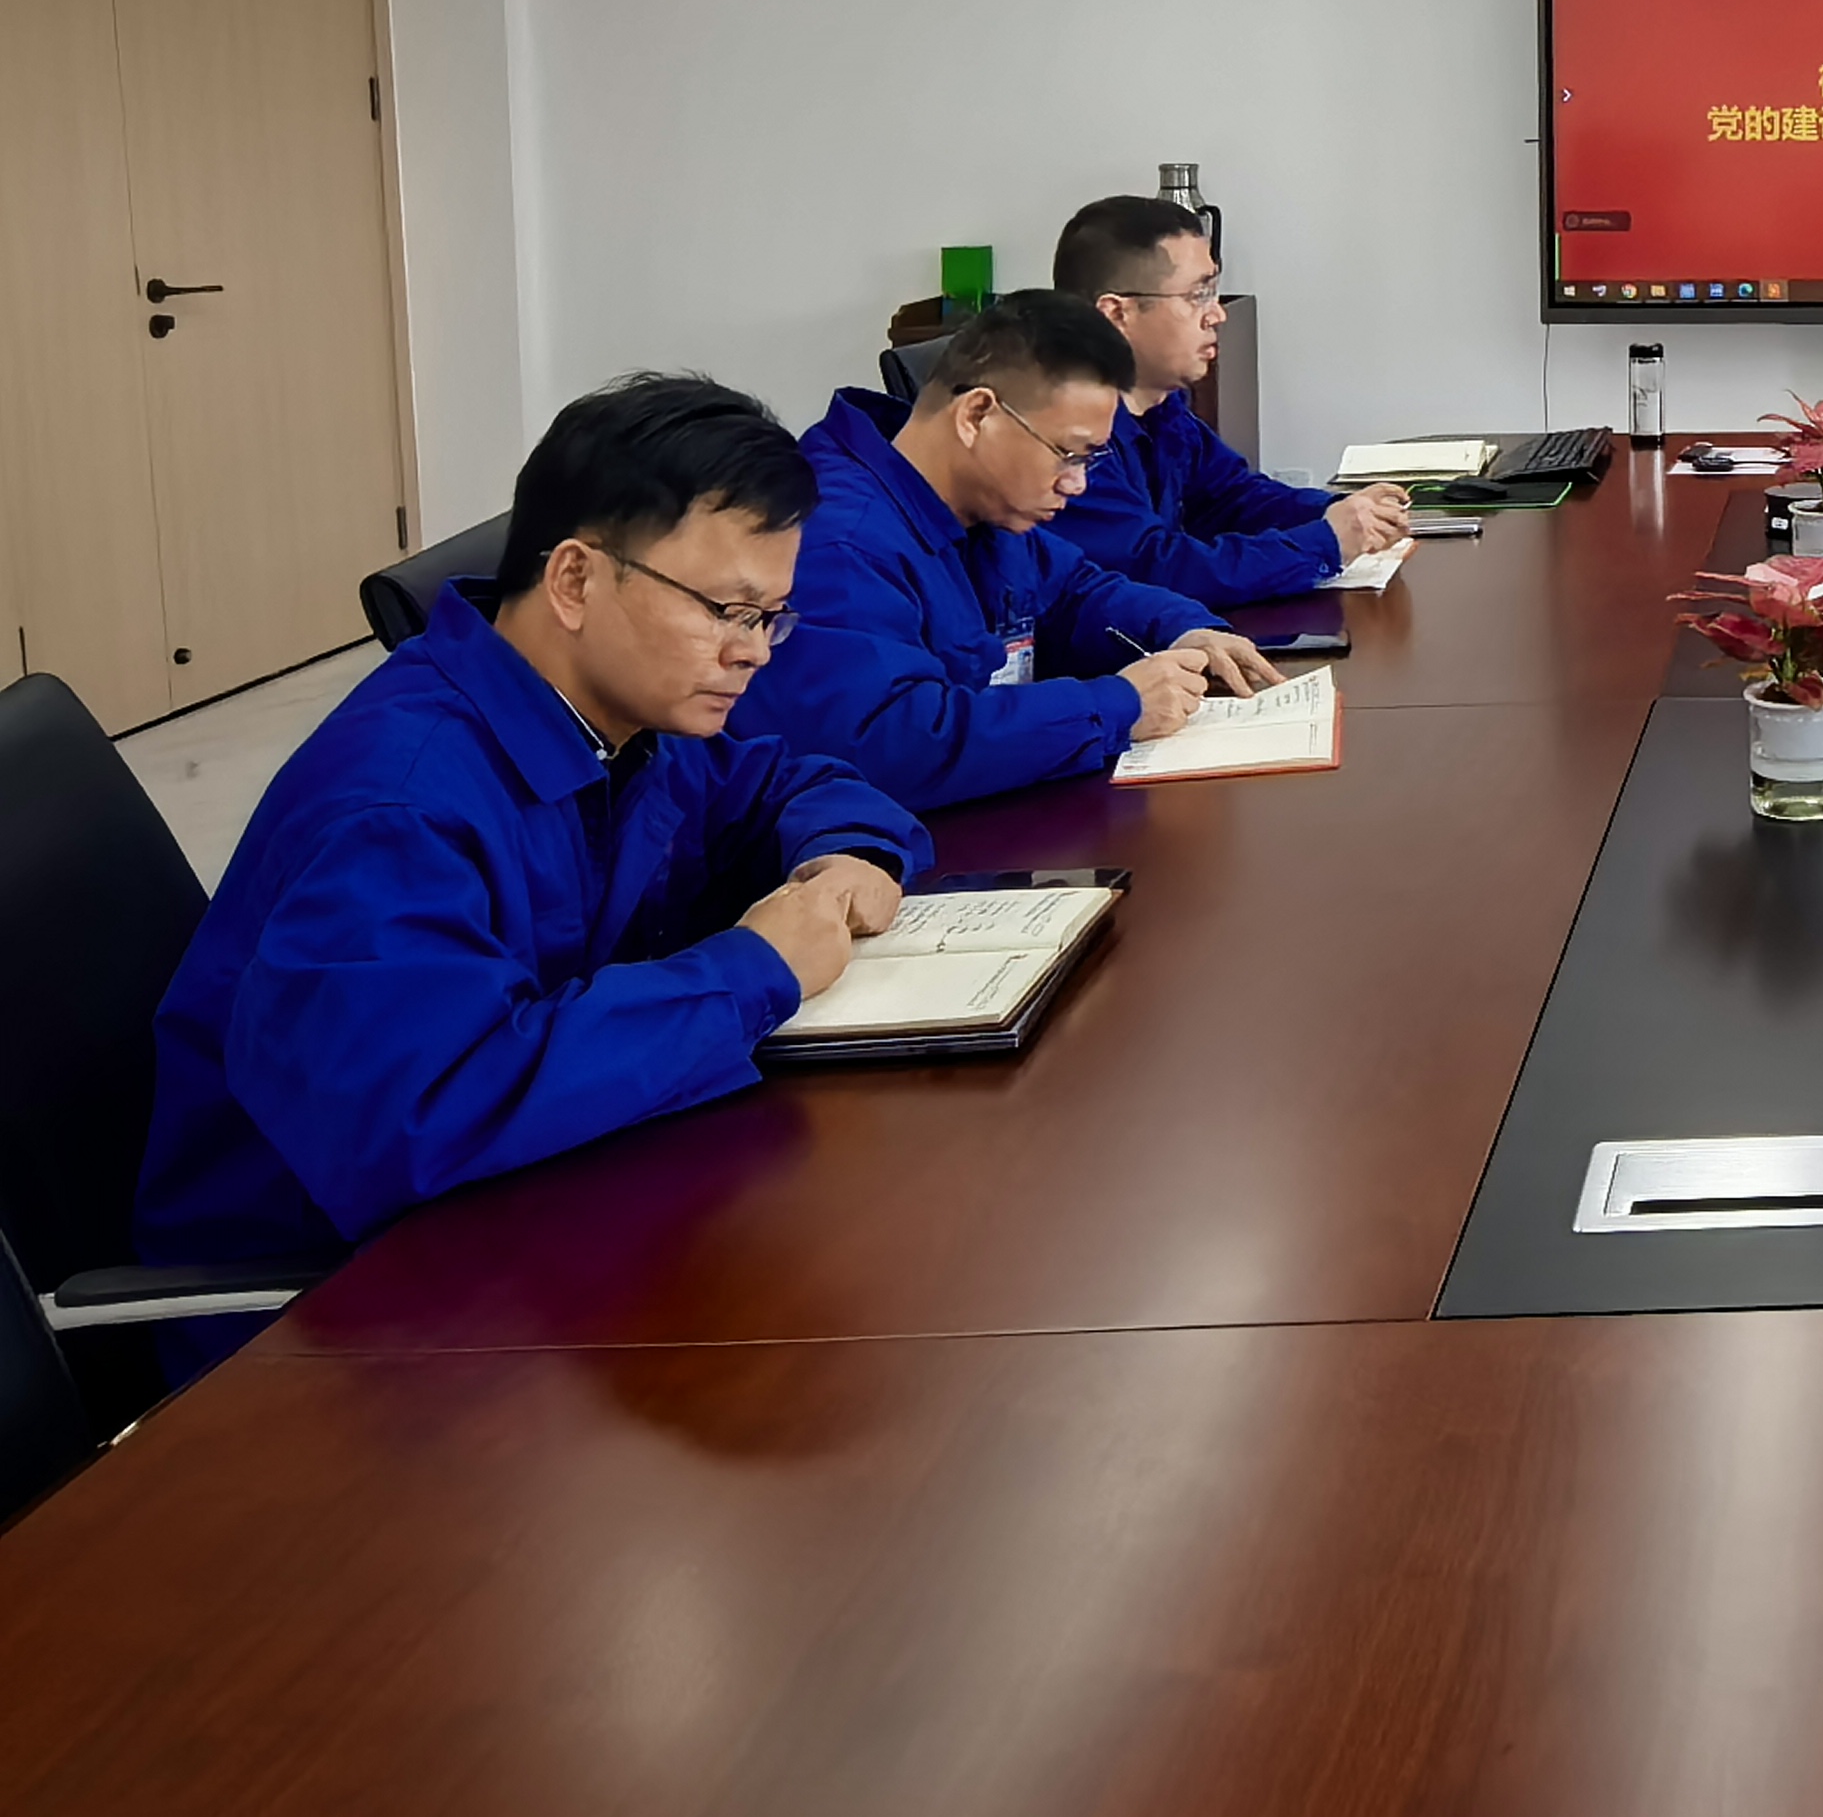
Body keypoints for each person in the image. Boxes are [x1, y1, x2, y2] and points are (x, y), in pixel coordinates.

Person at [136, 374, 933, 1348]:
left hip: (517, 1212)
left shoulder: (622, 717)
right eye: (728, 610)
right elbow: (421, 1118)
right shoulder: (398, 810)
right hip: (325, 1315)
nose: (755, 652)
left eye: (771, 617)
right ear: (575, 581)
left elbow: (778, 783)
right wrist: (752, 969)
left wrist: (851, 849)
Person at [730, 291, 1277, 807]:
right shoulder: (839, 540)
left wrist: (1181, 630)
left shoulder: (982, 505)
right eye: (1068, 453)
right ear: (976, 415)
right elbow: (887, 742)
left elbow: (1077, 591)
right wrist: (1118, 706)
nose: (1077, 483)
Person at [1048, 194, 1409, 608]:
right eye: (1198, 295)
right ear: (1116, 314)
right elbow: (1158, 568)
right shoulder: (1065, 433)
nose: (1218, 314)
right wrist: (1325, 541)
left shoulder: (1161, 404)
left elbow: (1232, 498)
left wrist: (1345, 512)